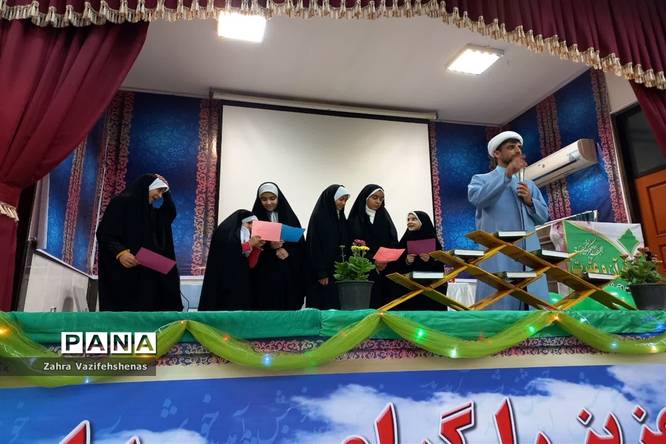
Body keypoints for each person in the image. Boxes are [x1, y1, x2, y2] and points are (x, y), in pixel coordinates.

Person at [467, 131, 550, 310]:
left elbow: (543, 217)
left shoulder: (529, 184)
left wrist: (530, 201)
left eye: (519, 147)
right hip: (500, 256)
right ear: (497, 153)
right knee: (500, 308)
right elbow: (478, 199)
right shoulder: (481, 180)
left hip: (528, 256)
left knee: (534, 310)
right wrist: (506, 177)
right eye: (511, 147)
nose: (517, 150)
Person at [96, 173, 182, 311]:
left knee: (170, 275)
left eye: (162, 193)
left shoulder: (150, 212)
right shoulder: (121, 202)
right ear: (148, 186)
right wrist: (121, 253)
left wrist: (167, 191)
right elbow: (105, 234)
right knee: (127, 311)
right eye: (158, 190)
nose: (159, 196)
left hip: (146, 266)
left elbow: (169, 213)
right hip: (126, 269)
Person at [250, 182, 307, 310]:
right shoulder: (254, 219)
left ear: (278, 198)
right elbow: (251, 249)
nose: (268, 202)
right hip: (264, 274)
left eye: (272, 198)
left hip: (288, 272)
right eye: (264, 199)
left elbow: (301, 247)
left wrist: (287, 250)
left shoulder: (290, 217)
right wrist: (270, 247)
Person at [199, 210, 265, 310]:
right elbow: (229, 255)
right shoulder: (225, 235)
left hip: (242, 283)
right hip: (224, 283)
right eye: (249, 223)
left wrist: (256, 248)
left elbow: (250, 264)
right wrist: (249, 244)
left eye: (254, 224)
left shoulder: (248, 238)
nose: (251, 227)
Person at [348, 184, 399, 308]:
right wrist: (372, 259)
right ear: (366, 198)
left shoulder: (385, 218)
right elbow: (351, 242)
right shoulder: (355, 219)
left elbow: (393, 240)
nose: (378, 201)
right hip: (363, 269)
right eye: (375, 198)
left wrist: (384, 259)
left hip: (385, 267)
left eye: (381, 199)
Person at [306, 184, 351, 309]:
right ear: (331, 199)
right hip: (323, 272)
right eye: (340, 199)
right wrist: (321, 272)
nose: (343, 203)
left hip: (337, 271)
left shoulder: (340, 217)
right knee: (323, 303)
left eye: (345, 200)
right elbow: (314, 246)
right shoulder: (319, 217)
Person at [397, 211, 446, 310]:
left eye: (414, 219)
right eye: (408, 219)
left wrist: (430, 259)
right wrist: (407, 261)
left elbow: (441, 262)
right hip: (410, 285)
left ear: (423, 221)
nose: (410, 222)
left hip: (430, 285)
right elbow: (397, 262)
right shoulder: (405, 239)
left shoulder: (432, 238)